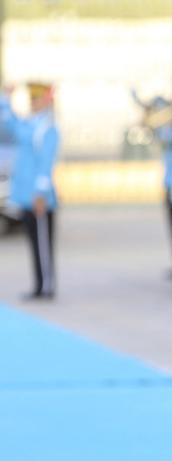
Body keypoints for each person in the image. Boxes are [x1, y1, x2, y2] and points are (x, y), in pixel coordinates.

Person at [0, 82, 59, 300]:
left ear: (45, 101)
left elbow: (46, 163)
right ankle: (39, 285)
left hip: (38, 197)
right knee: (34, 243)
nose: (32, 103)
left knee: (43, 244)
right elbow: (7, 125)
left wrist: (41, 193)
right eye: (31, 100)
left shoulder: (47, 127)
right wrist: (6, 98)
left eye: (36, 99)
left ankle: (47, 286)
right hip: (25, 195)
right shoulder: (29, 124)